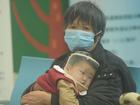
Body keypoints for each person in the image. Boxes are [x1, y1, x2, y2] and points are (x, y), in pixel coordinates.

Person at [21, 1, 136, 105]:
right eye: (73, 27)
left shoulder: (110, 65)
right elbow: (29, 97)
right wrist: (36, 91)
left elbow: (101, 102)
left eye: (85, 28)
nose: (77, 32)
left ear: (98, 35)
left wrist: (50, 100)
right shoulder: (62, 61)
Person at [22, 51, 99, 105]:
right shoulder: (65, 81)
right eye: (82, 72)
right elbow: (67, 102)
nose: (85, 78)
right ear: (68, 68)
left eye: (90, 77)